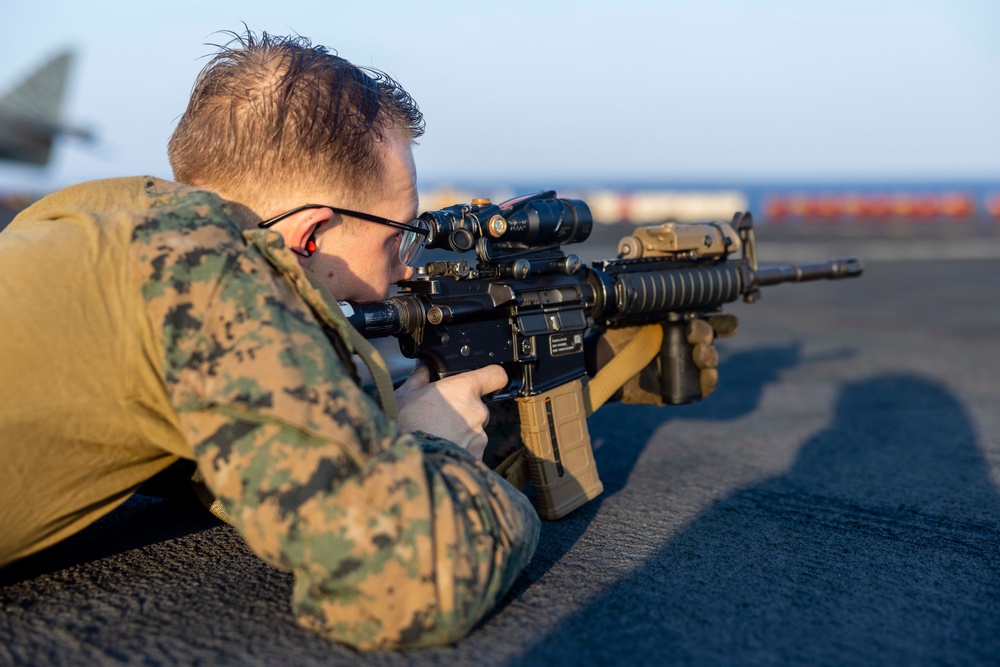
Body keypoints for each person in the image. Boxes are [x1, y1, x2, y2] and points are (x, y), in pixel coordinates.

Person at [0, 30, 538, 650]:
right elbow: (409, 578)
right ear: (311, 235)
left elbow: (245, 459)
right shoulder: (210, 274)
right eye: (397, 236)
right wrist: (424, 446)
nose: (405, 269)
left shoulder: (86, 220)